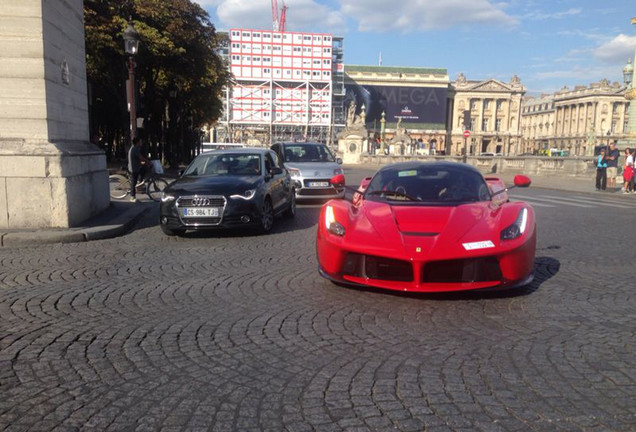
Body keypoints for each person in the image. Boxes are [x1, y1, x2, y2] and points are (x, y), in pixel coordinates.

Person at [127, 137, 149, 202]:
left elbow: (137, 159)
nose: (141, 143)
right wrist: (148, 162)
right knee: (133, 183)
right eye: (140, 141)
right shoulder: (134, 149)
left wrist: (143, 163)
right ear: (137, 143)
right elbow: (141, 157)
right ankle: (132, 197)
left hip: (136, 166)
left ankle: (140, 182)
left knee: (144, 169)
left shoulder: (135, 148)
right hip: (134, 168)